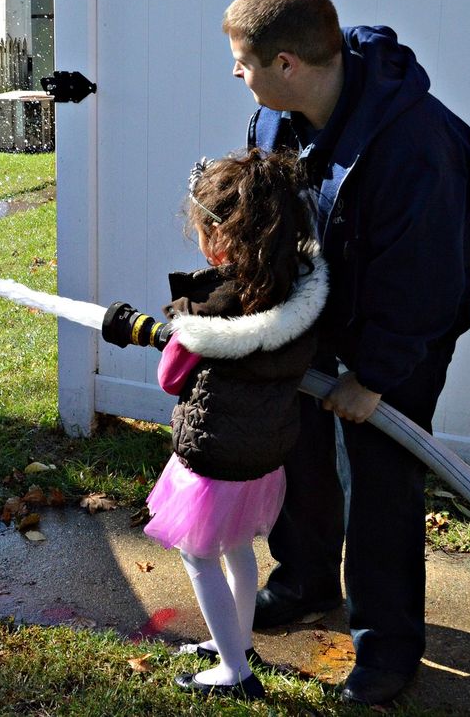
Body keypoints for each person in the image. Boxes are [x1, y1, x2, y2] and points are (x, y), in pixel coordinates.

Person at [222, 0, 470, 706]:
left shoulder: (417, 143)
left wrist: (371, 378)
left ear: (287, 64)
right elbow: (269, 222)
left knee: (380, 482)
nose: (236, 75)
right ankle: (307, 583)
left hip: (402, 332)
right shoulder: (275, 121)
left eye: (243, 61)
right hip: (318, 313)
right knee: (297, 449)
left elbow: (428, 283)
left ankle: (387, 647)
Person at [106, 149, 326, 700]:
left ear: (220, 239)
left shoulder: (209, 308)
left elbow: (170, 377)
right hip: (264, 456)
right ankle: (238, 642)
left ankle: (234, 671)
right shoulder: (293, 293)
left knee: (200, 555)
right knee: (238, 549)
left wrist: (160, 333)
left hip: (213, 459)